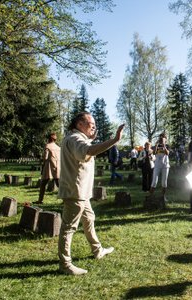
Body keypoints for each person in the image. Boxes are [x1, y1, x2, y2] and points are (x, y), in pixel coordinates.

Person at [58, 112, 125, 275]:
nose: (94, 126)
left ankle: (97, 250)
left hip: (81, 191)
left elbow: (84, 147)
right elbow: (88, 150)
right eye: (90, 123)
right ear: (79, 124)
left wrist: (91, 139)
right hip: (76, 192)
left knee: (89, 219)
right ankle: (65, 264)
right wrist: (115, 140)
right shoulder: (75, 139)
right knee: (68, 227)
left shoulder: (75, 138)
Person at [34, 132, 60, 205]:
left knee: (43, 184)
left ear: (49, 139)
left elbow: (45, 157)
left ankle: (40, 200)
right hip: (58, 167)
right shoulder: (58, 148)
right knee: (59, 185)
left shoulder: (47, 146)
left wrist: (42, 161)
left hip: (49, 166)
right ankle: (66, 201)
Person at [149, 133, 170, 201]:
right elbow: (154, 153)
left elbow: (167, 153)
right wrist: (156, 145)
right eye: (160, 137)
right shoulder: (156, 145)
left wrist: (164, 145)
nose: (161, 138)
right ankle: (150, 196)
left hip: (165, 165)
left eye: (163, 137)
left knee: (164, 182)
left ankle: (163, 197)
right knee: (154, 181)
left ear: (166, 139)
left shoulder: (167, 145)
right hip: (157, 165)